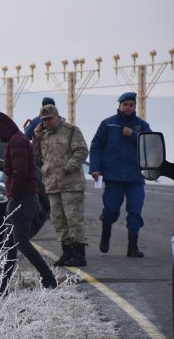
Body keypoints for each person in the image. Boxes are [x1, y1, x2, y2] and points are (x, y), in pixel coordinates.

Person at [0, 112, 57, 293]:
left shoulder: (17, 142)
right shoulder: (15, 140)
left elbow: (20, 173)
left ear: (2, 128)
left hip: (22, 201)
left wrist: (13, 197)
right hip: (21, 199)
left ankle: (48, 278)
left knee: (20, 243)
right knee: (9, 245)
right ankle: (1, 286)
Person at [89, 92, 151, 258]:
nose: (128, 107)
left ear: (135, 106)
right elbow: (96, 147)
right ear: (119, 106)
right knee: (111, 210)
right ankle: (106, 231)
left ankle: (133, 246)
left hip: (135, 177)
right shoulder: (108, 124)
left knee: (135, 212)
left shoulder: (142, 126)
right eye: (125, 104)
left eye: (131, 104)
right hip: (113, 176)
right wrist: (95, 168)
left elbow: (150, 146)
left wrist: (133, 135)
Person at [32, 104, 89, 266]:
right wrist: (36, 137)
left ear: (57, 116)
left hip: (71, 184)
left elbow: (82, 151)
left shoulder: (71, 130)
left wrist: (68, 167)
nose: (47, 122)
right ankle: (67, 252)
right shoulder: (43, 135)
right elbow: (35, 156)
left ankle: (79, 253)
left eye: (49, 119)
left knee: (74, 218)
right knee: (58, 220)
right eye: (44, 120)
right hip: (52, 184)